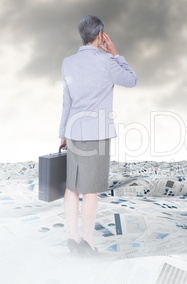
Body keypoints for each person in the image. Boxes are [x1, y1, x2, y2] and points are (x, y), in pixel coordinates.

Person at [58, 15, 137, 256]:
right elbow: (131, 80)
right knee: (90, 190)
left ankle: (73, 238)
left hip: (72, 131)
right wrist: (115, 52)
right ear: (101, 35)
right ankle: (88, 243)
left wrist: (62, 134)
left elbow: (66, 102)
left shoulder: (67, 63)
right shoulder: (106, 62)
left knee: (71, 187)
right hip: (97, 133)